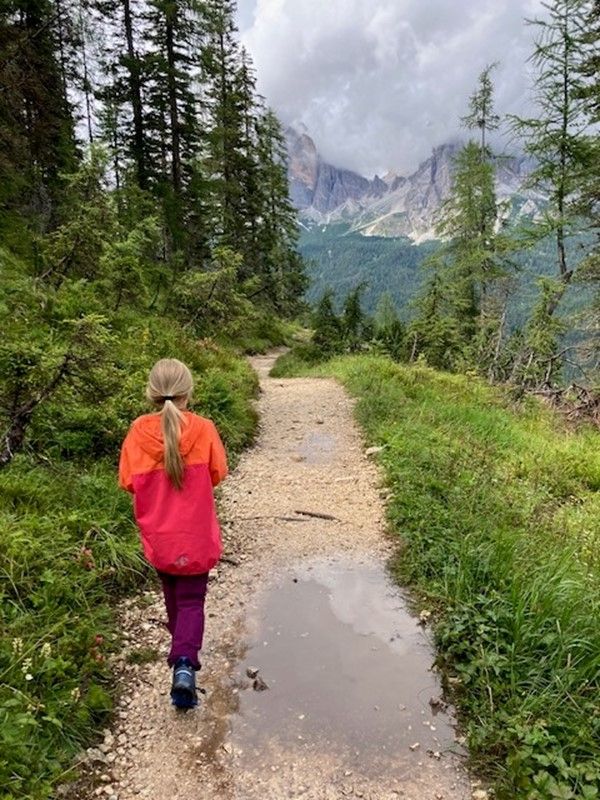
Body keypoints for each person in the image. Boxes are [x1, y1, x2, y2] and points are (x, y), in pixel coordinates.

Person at [118, 358, 228, 709]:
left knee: (173, 597)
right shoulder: (204, 428)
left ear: (152, 392)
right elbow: (218, 472)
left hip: (160, 537)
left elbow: (126, 482)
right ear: (188, 391)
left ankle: (180, 650)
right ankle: (184, 664)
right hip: (195, 534)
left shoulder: (138, 431)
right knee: (193, 600)